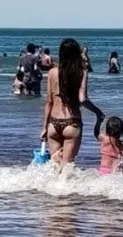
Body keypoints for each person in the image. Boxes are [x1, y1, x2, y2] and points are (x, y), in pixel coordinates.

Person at [39, 38, 104, 166]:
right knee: (67, 168)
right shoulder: (81, 71)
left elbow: (49, 103)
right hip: (71, 122)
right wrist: (98, 112)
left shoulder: (52, 72)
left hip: (53, 123)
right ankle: (67, 187)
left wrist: (44, 127)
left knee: (55, 166)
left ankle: (51, 186)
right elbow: (83, 99)